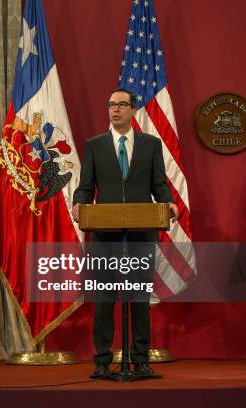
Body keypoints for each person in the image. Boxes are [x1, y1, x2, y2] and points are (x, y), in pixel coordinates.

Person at [72, 88, 178, 379]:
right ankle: (103, 361)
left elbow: (159, 184)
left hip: (141, 235)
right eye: (111, 105)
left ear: (133, 110)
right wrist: (79, 204)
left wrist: (168, 201)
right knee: (106, 299)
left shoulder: (150, 144)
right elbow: (85, 186)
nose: (115, 109)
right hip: (105, 237)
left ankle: (141, 359)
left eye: (121, 105)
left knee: (138, 298)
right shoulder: (94, 145)